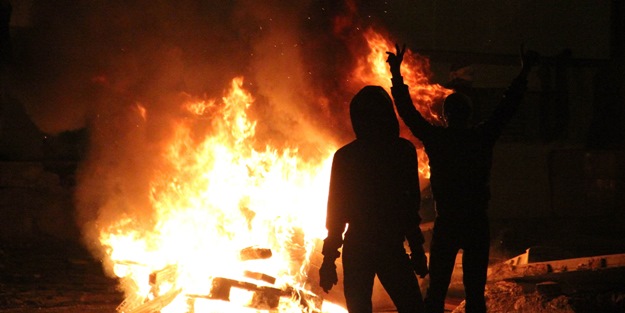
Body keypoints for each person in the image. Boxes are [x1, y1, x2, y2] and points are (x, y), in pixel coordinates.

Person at [386, 44, 538, 313]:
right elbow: (506, 108)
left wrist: (396, 75)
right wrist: (524, 73)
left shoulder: (437, 139)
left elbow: (408, 113)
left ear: (445, 116)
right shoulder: (481, 137)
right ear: (468, 116)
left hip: (448, 223)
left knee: (435, 295)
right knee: (475, 295)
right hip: (476, 222)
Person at [319, 85, 429, 313]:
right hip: (390, 245)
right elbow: (409, 207)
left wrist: (329, 261)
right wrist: (417, 251)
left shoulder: (346, 157)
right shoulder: (403, 151)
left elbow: (336, 213)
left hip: (358, 246)